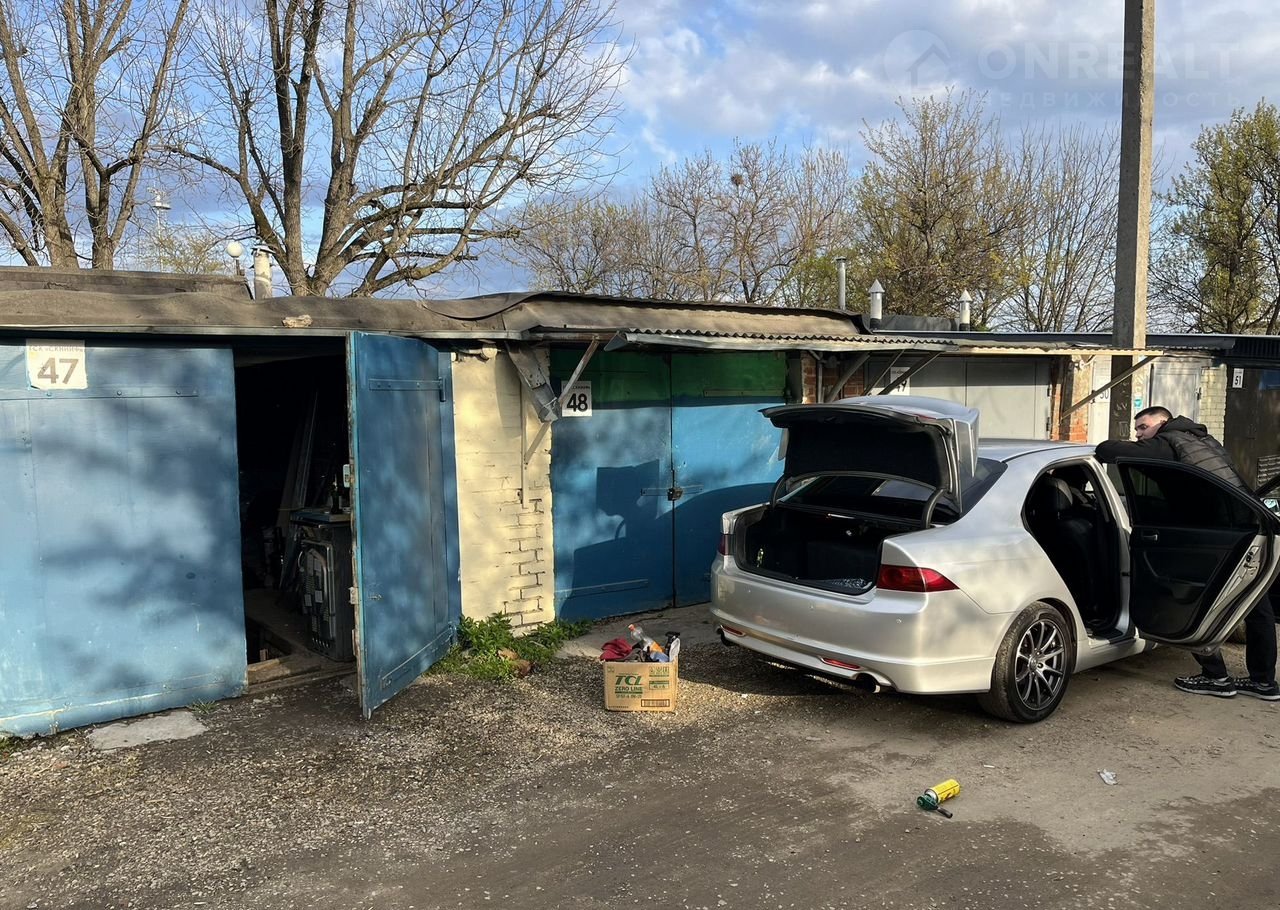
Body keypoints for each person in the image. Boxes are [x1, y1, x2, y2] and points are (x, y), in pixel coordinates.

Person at [1095, 405, 1280, 700]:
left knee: (1190, 599)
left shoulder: (1168, 442)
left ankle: (1216, 677)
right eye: (1137, 429)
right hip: (1243, 529)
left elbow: (1107, 450)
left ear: (1162, 423)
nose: (1138, 435)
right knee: (1257, 608)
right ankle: (1263, 682)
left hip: (1208, 534)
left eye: (1143, 427)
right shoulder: (1203, 440)